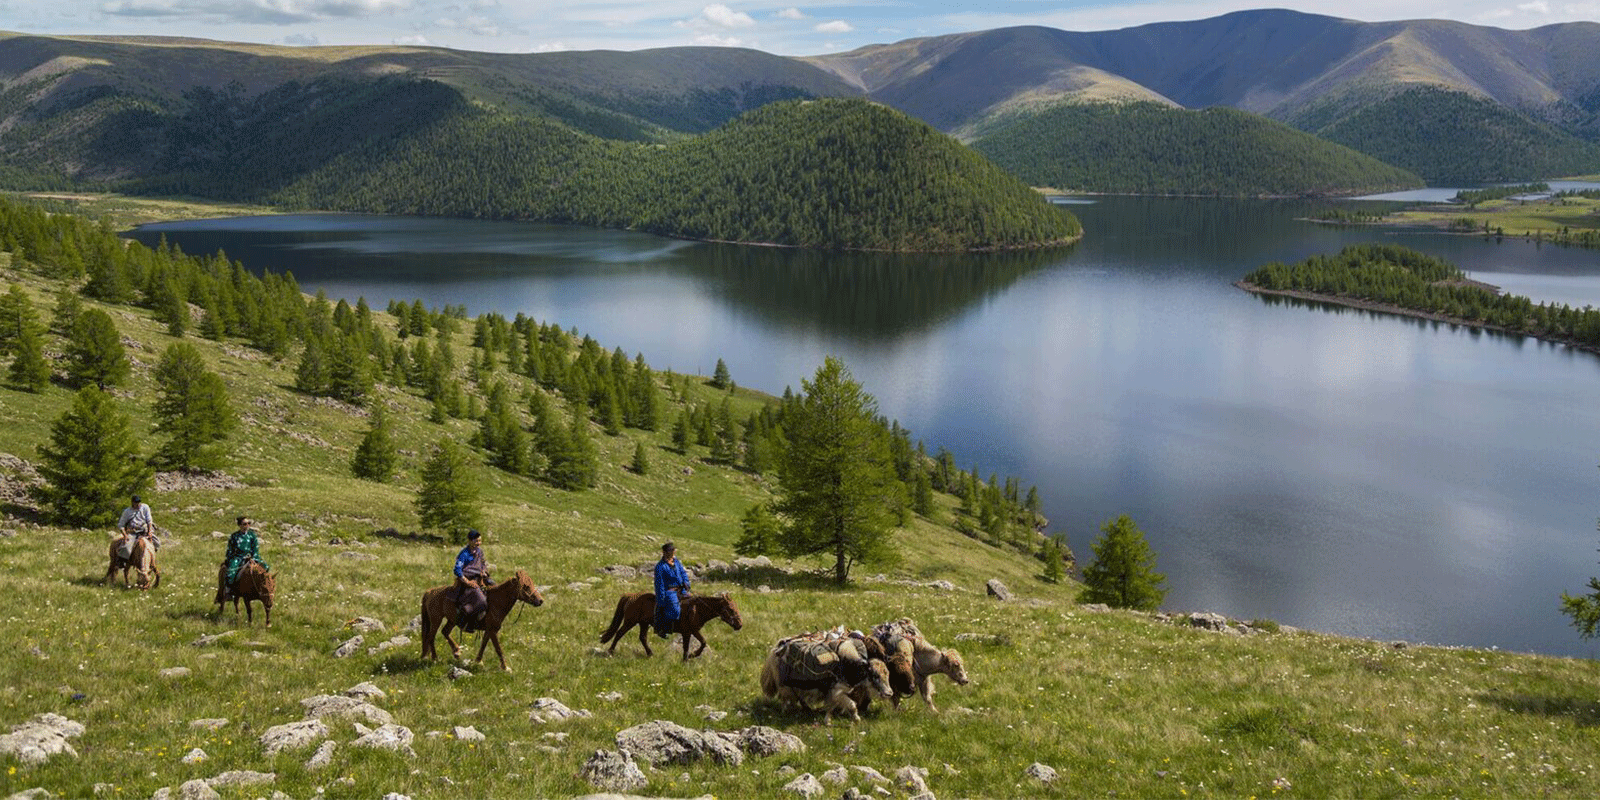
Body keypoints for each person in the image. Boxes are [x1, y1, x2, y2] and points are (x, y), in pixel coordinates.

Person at [219, 516, 269, 601]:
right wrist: (234, 557)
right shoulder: (234, 536)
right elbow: (230, 550)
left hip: (251, 557)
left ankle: (264, 587)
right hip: (238, 557)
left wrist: (254, 557)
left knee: (265, 566)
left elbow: (255, 548)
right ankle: (229, 591)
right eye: (245, 524)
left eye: (249, 523)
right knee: (231, 570)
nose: (247, 525)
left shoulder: (252, 536)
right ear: (240, 525)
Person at [452, 529, 492, 633]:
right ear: (470, 541)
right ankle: (467, 623)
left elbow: (483, 564)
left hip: (479, 578)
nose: (479, 543)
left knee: (495, 589)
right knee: (482, 601)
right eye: (477, 541)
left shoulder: (479, 551)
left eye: (480, 541)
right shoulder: (464, 554)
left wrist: (484, 571)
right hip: (467, 580)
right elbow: (457, 570)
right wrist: (467, 582)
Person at [653, 541, 692, 638]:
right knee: (675, 611)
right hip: (669, 591)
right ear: (664, 552)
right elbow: (659, 585)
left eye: (672, 551)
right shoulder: (660, 567)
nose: (671, 553)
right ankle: (664, 628)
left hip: (681, 589)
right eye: (668, 551)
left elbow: (683, 573)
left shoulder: (677, 562)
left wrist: (686, 583)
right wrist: (661, 600)